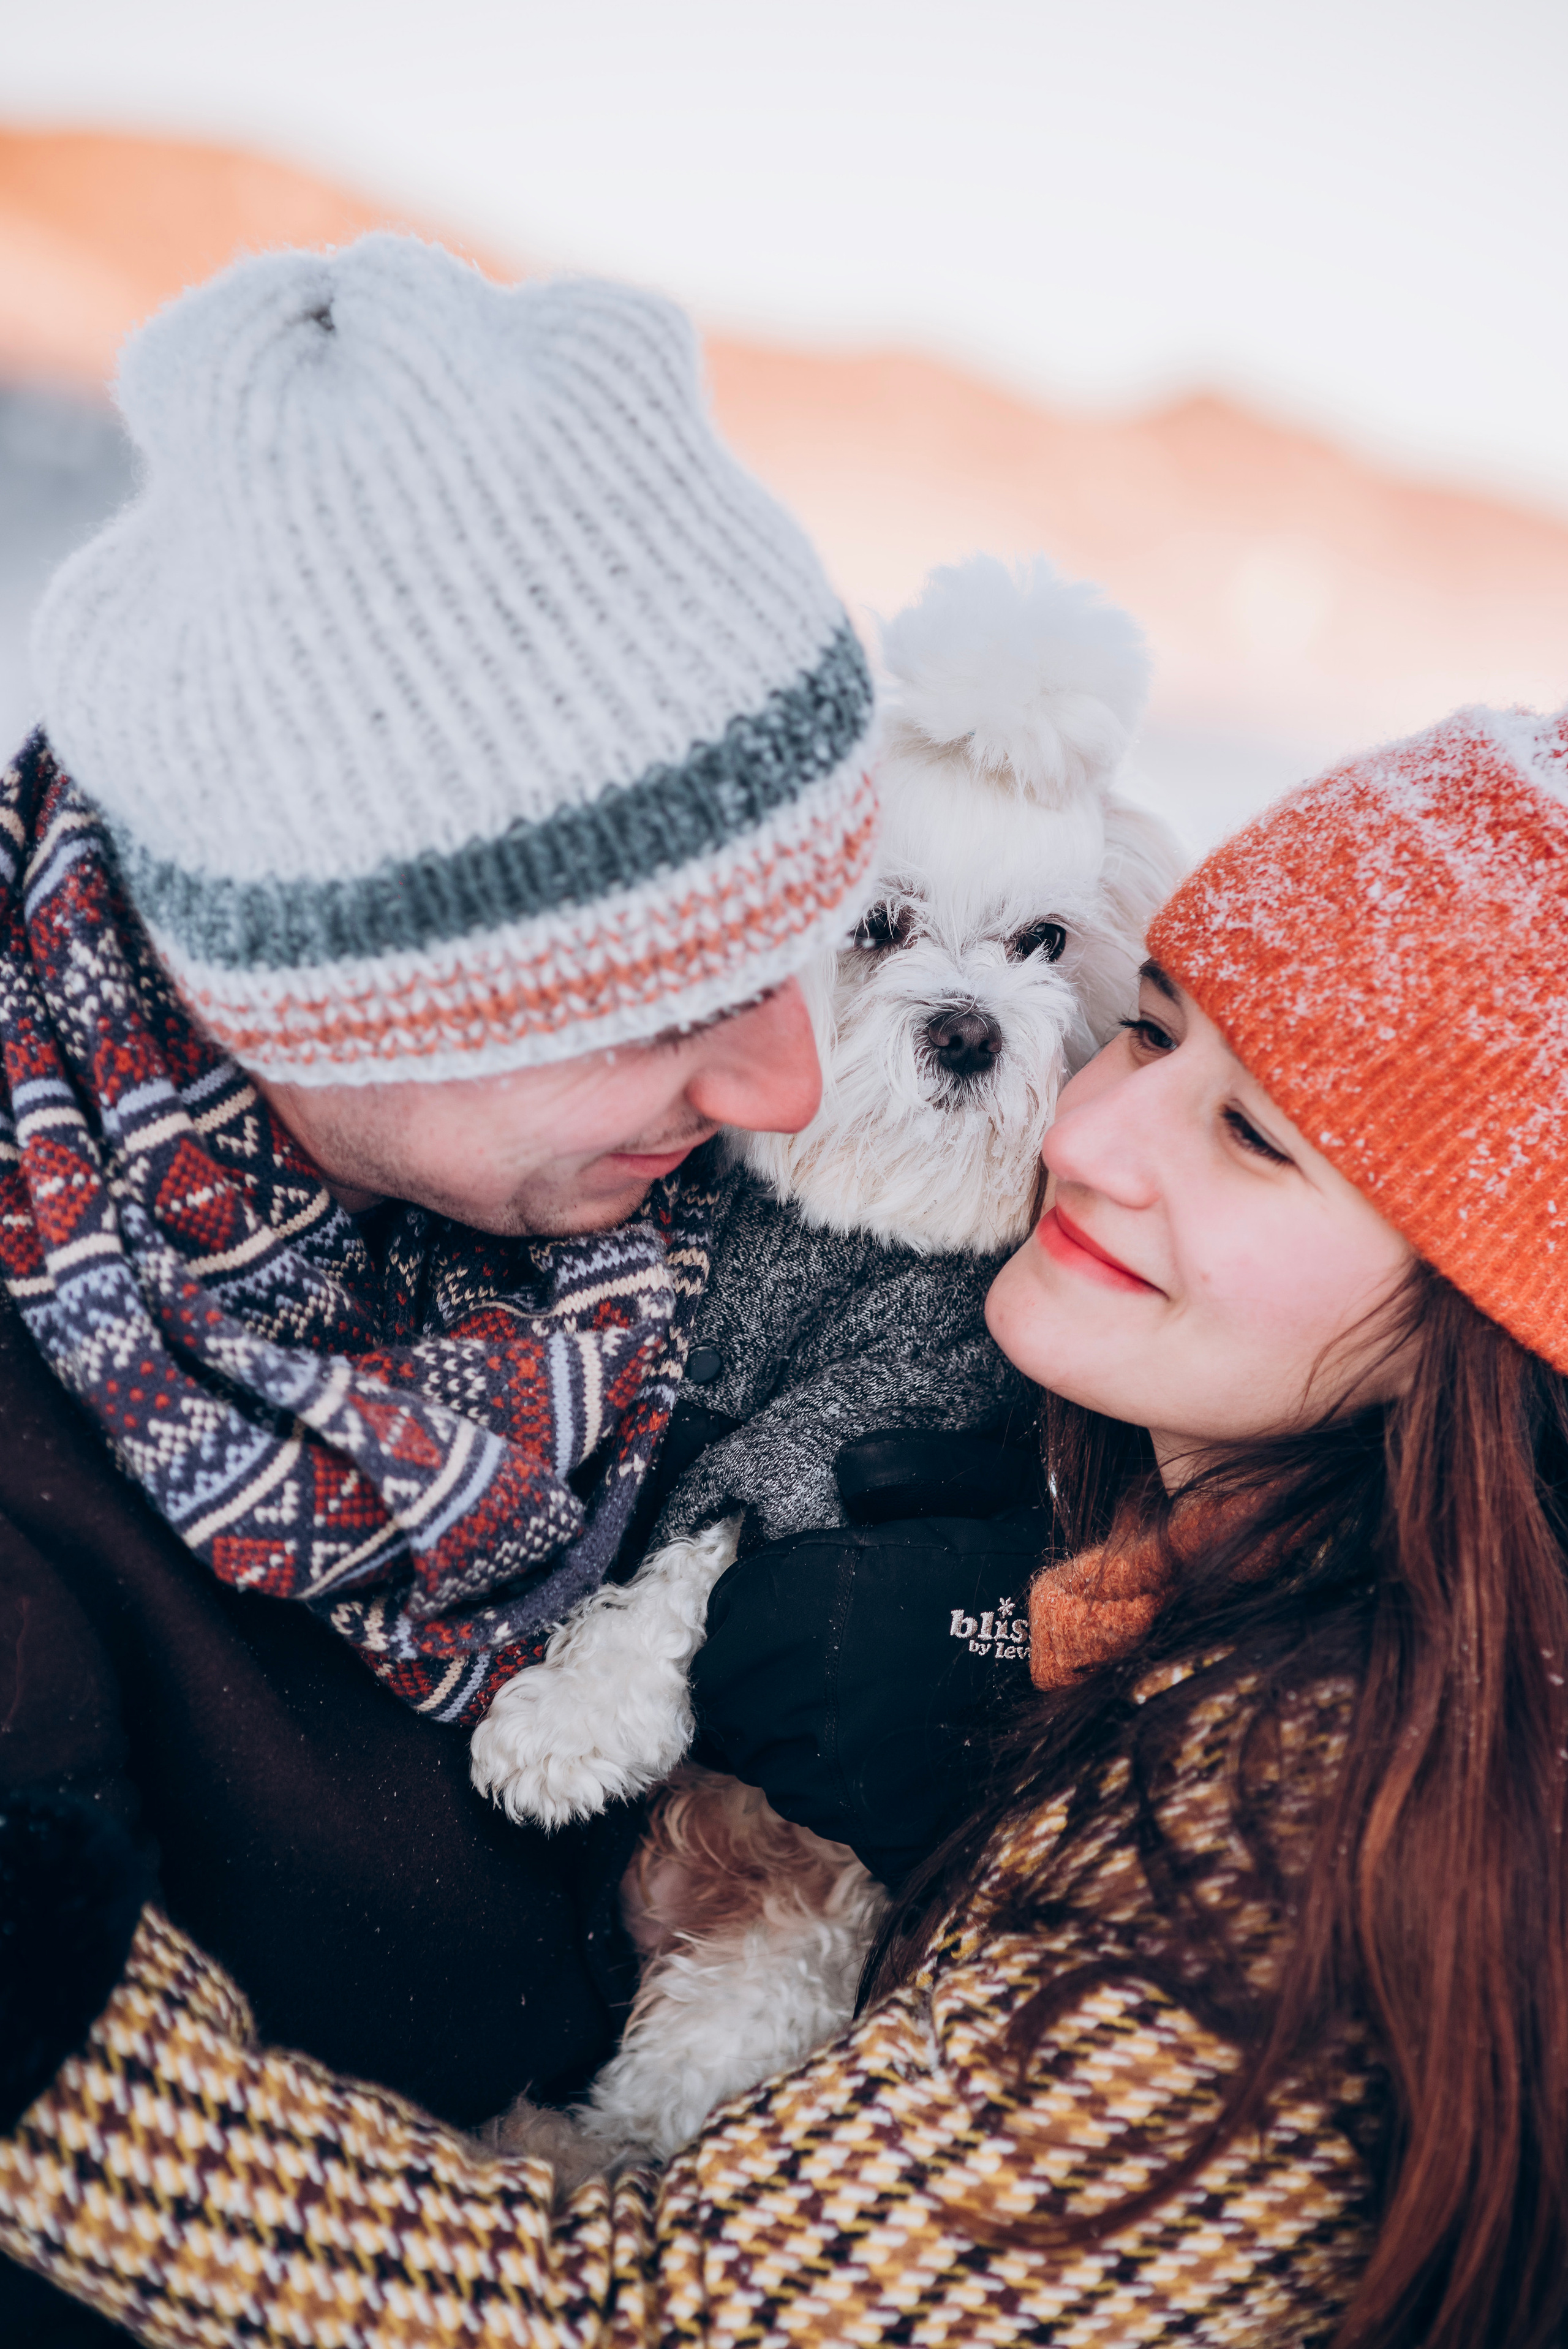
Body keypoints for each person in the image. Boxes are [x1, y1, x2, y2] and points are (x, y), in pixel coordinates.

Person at [6, 698, 1564, 2348]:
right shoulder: (1107, 1514)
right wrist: (1015, 1646)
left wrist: (58, 2034)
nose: (1089, 1131)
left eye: (1255, 1140)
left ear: (1487, 1319)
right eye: (1154, 1031)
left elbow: (637, 2320)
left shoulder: (1307, 1863)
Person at [0, 232, 880, 2342]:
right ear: (302, 986)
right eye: (671, 1000)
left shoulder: (718, 1233)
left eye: (823, 937)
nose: (789, 1081)